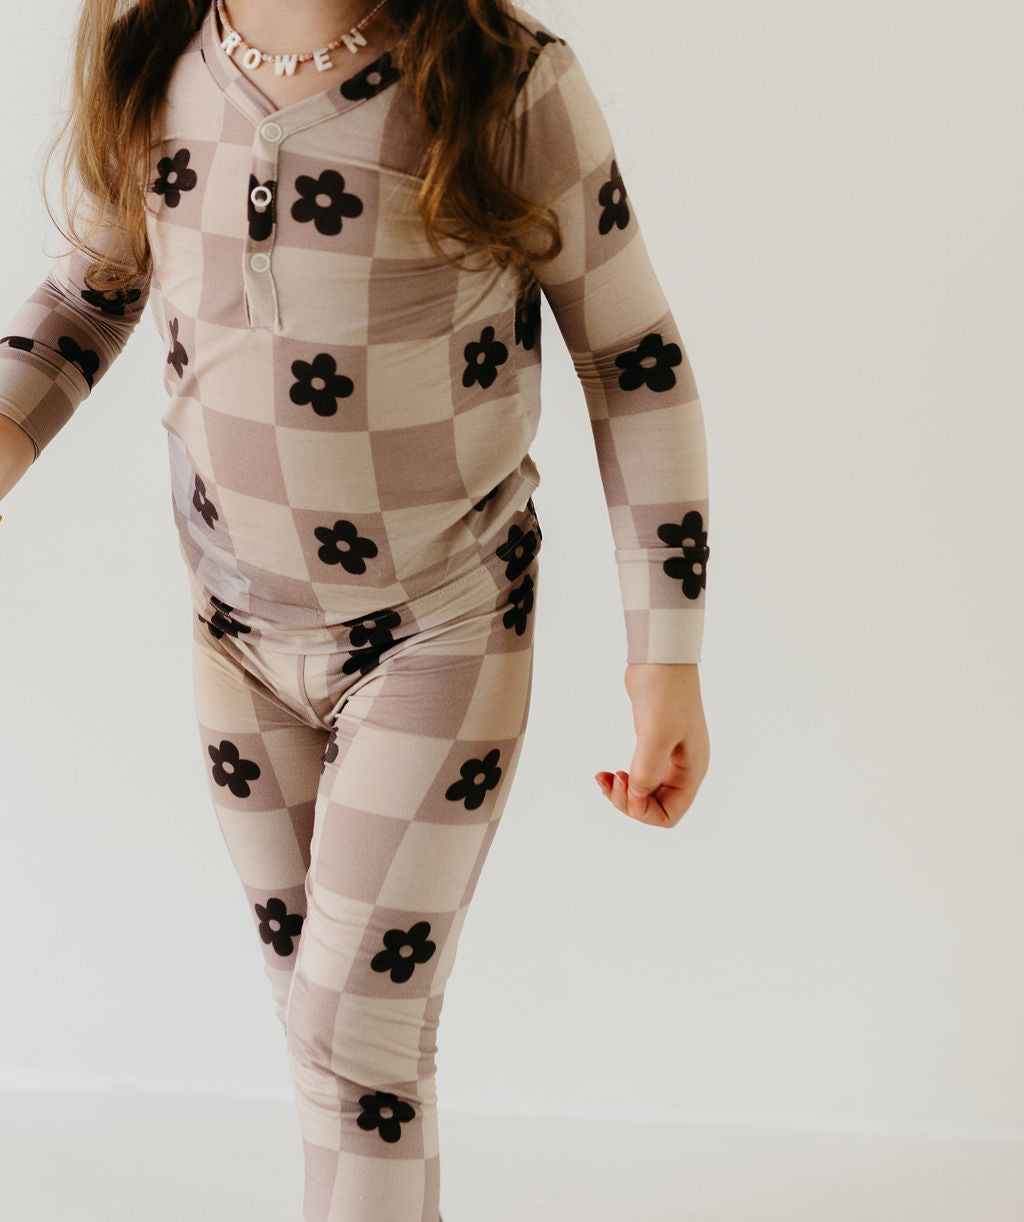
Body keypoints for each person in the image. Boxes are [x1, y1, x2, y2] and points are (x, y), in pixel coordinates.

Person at [0, 0, 711, 1217]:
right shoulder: (151, 65)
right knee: (327, 1039)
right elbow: (83, 301)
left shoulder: (504, 86)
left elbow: (633, 362)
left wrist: (667, 656)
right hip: (233, 634)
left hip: (441, 627)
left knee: (353, 1034)